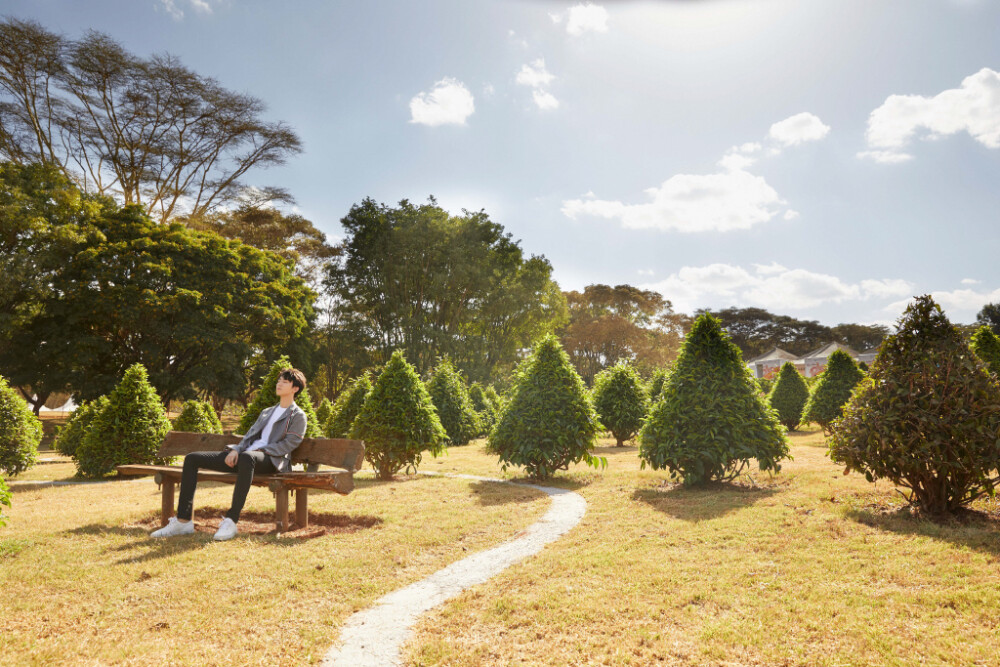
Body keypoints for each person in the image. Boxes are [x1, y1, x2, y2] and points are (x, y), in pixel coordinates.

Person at [151, 368, 309, 541]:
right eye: (279, 380)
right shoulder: (267, 412)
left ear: (295, 388)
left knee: (248, 458)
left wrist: (257, 451)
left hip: (272, 460)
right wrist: (236, 450)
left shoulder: (298, 415)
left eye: (284, 382)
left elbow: (290, 444)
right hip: (246, 458)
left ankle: (231, 521)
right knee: (192, 459)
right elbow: (249, 436)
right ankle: (183, 521)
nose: (279, 383)